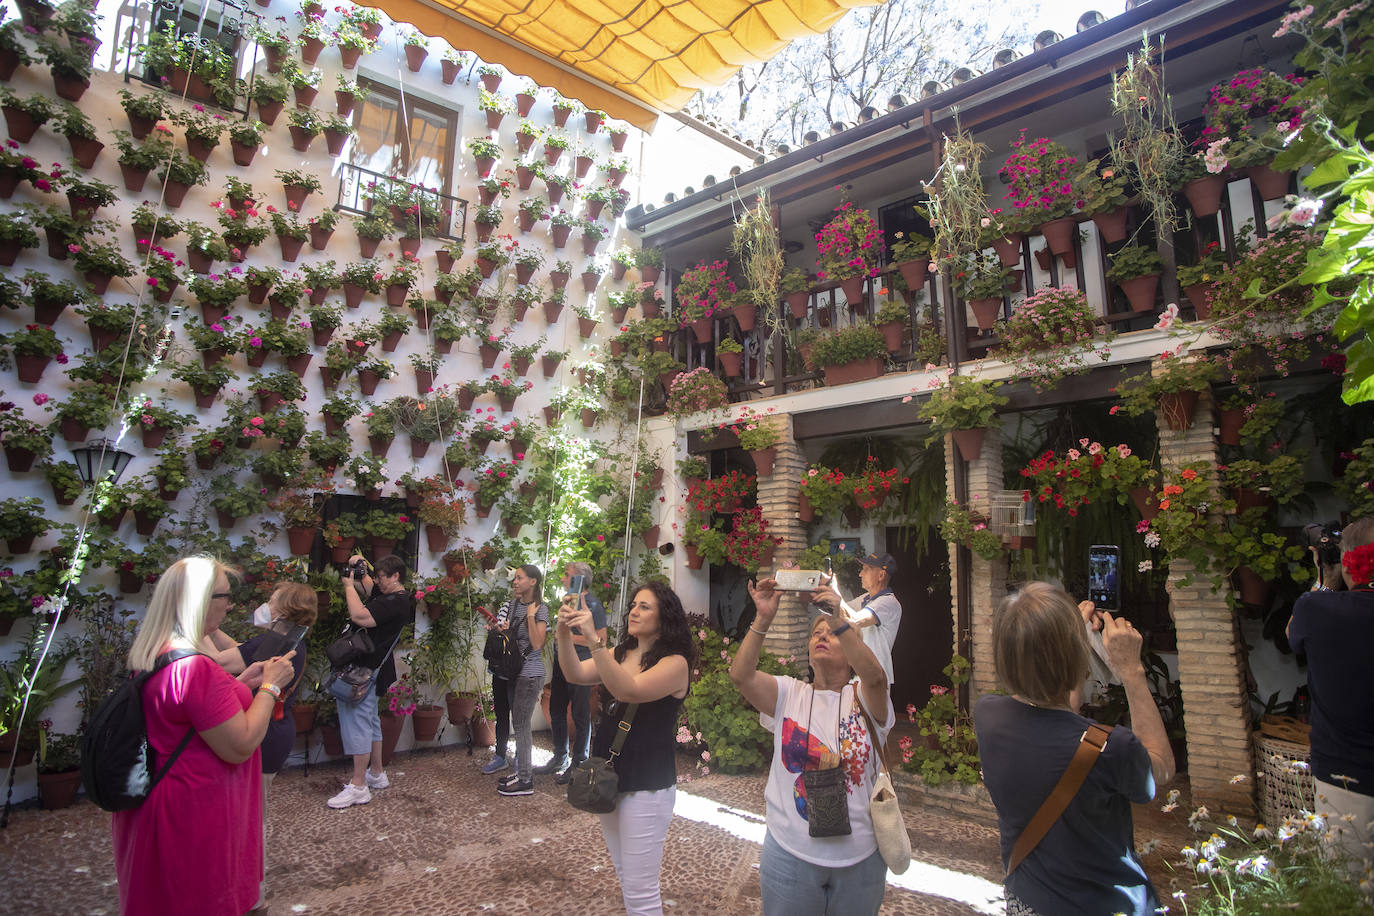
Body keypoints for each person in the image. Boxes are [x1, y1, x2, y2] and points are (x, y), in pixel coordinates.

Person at [974, 582, 1174, 916]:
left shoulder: (988, 714)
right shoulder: (1111, 748)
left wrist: (1070, 636)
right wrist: (1131, 671)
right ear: (1076, 658)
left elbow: (1057, 711)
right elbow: (1162, 768)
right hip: (1104, 905)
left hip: (1028, 902)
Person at [111, 556, 295, 916]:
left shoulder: (161, 652)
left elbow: (194, 715)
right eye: (225, 596)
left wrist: (241, 683)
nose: (231, 605)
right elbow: (240, 744)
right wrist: (271, 688)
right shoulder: (195, 667)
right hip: (195, 812)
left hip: (165, 802)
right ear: (201, 601)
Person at [730, 577, 894, 916]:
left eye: (832, 634)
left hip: (859, 858)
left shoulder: (864, 697)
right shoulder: (789, 693)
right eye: (816, 633)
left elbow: (876, 677)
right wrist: (762, 618)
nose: (822, 636)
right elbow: (741, 676)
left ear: (851, 652)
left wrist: (838, 618)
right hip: (791, 854)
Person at [557, 581, 696, 915]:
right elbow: (575, 673)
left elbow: (629, 690)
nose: (634, 610)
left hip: (647, 785)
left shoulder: (675, 663)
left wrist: (593, 640)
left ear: (665, 617)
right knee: (625, 875)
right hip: (611, 776)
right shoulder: (621, 653)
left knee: (641, 890)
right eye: (633, 604)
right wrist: (562, 633)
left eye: (645, 606)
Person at [202, 582, 318, 912]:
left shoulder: (278, 642)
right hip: (275, 732)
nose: (266, 603)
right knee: (251, 816)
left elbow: (218, 663)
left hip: (264, 735)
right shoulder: (286, 638)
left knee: (250, 821)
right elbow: (244, 650)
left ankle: (254, 896)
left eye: (272, 599)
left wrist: (199, 626)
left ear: (284, 608)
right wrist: (215, 629)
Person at [1287, 516, 1374, 868]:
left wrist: (1325, 579)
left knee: (1347, 889)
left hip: (1346, 774)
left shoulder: (1316, 608)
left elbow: (1294, 635)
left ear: (1349, 561)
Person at [327, 553, 411, 809]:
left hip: (364, 670)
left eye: (382, 577)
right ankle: (376, 773)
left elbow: (360, 616)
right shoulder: (393, 596)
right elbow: (371, 589)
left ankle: (358, 786)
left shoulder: (395, 602)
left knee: (358, 724)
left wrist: (347, 585)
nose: (378, 582)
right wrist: (360, 567)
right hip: (374, 667)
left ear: (396, 577)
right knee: (371, 720)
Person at [534, 561, 607, 783]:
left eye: (567, 576)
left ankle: (579, 763)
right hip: (561, 665)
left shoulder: (593, 605)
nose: (563, 579)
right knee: (556, 708)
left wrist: (564, 636)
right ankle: (559, 757)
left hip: (582, 666)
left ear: (579, 580)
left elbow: (601, 639)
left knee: (580, 714)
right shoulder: (568, 601)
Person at [494, 564, 550, 796]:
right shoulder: (514, 605)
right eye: (515, 578)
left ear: (533, 582)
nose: (515, 582)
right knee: (518, 724)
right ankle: (521, 772)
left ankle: (526, 780)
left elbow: (537, 644)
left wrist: (529, 617)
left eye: (520, 578)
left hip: (530, 673)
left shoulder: (541, 609)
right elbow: (512, 641)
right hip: (513, 672)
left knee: (522, 725)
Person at [810, 552, 903, 685]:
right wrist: (822, 590)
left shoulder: (889, 602)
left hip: (874, 679)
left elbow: (853, 620)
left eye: (866, 569)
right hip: (854, 676)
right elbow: (837, 613)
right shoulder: (864, 599)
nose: (860, 574)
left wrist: (834, 592)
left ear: (881, 575)